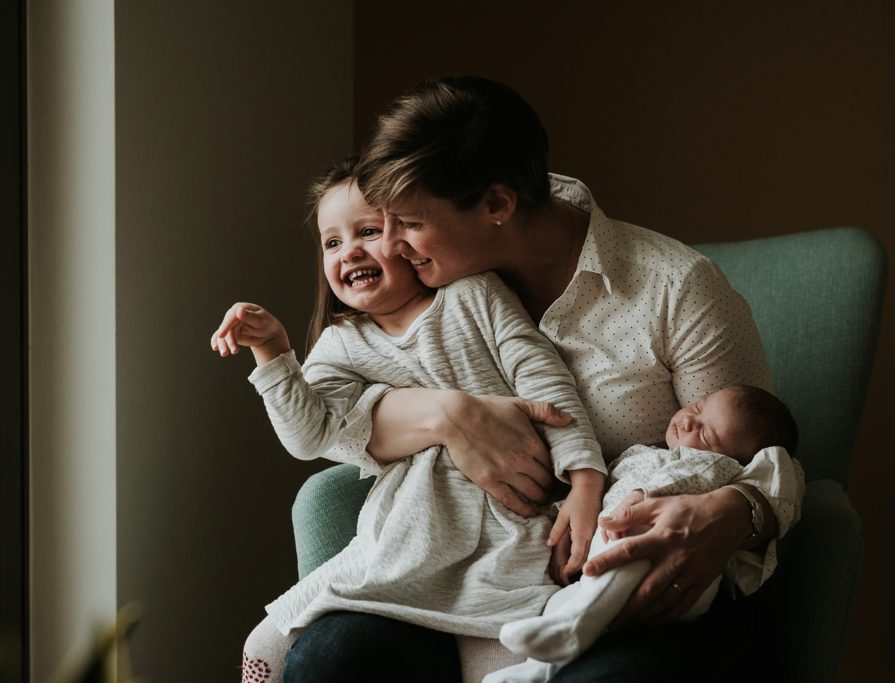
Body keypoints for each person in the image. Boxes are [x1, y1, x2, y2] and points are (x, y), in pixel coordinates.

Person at [284, 75, 803, 682]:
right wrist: (450, 416)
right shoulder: (423, 280)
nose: (390, 246)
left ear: (498, 205)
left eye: (408, 223)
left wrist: (737, 510)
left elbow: (750, 450)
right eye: (383, 223)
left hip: (620, 587)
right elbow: (329, 423)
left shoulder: (675, 290)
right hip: (461, 574)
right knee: (328, 662)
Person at [210, 162, 607, 683]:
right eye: (331, 243)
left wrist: (584, 481)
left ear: (409, 238)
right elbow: (310, 436)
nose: (348, 250)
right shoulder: (342, 344)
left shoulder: (475, 296)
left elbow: (545, 382)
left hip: (506, 528)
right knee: (266, 643)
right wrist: (272, 351)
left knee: (510, 659)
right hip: (403, 539)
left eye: (368, 232)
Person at [486, 385, 802, 682]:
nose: (690, 420)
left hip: (676, 568)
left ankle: (573, 627)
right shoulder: (641, 454)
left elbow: (696, 476)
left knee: (630, 556)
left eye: (705, 433)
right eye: (696, 407)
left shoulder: (712, 464)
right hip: (606, 563)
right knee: (561, 602)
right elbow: (605, 487)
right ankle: (536, 670)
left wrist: (642, 494)